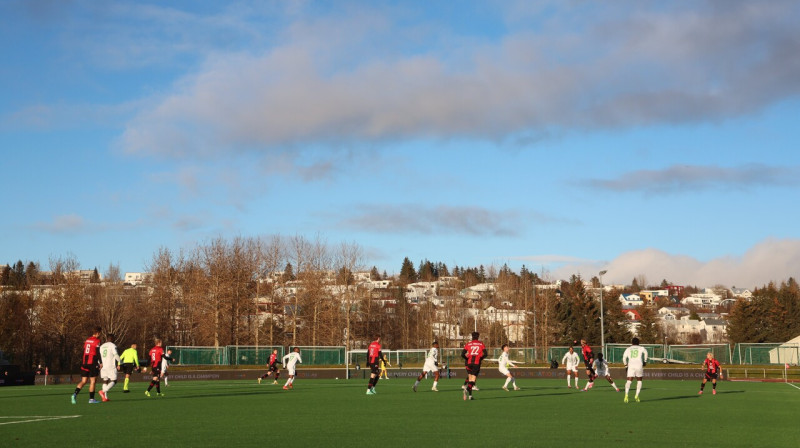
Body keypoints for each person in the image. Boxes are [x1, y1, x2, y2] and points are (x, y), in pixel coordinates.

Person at [71, 326, 103, 404]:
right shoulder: (97, 341)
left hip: (85, 362)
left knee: (83, 381)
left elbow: (85, 350)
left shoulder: (87, 340)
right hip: (92, 363)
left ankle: (74, 394)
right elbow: (97, 352)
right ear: (98, 333)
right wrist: (101, 362)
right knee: (93, 381)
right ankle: (91, 399)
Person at [461, 331, 487, 400]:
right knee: (473, 380)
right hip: (476, 363)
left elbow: (462, 354)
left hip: (468, 363)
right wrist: (480, 358)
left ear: (472, 336)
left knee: (470, 379)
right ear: (478, 337)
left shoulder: (468, 344)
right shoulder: (481, 344)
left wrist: (467, 358)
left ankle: (470, 396)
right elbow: (486, 354)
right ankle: (467, 388)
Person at [622, 337, 648, 403]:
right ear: (638, 343)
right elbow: (646, 353)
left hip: (631, 366)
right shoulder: (641, 348)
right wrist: (645, 361)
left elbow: (624, 358)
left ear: (632, 343)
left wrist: (625, 365)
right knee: (639, 381)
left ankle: (626, 395)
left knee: (629, 381)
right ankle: (636, 395)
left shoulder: (628, 349)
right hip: (639, 365)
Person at [98, 333, 120, 402]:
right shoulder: (112, 345)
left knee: (105, 380)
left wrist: (99, 364)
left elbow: (99, 356)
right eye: (114, 338)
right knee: (114, 381)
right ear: (112, 339)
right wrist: (120, 362)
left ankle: (105, 398)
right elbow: (116, 355)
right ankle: (103, 391)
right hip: (111, 366)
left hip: (103, 366)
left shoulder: (101, 346)